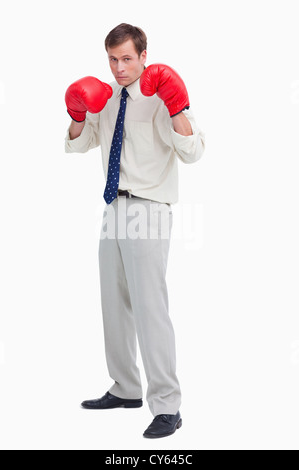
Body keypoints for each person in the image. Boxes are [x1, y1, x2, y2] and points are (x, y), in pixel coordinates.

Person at [64, 23, 205, 439]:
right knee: (114, 302)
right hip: (113, 208)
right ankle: (125, 388)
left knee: (150, 308)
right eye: (112, 59)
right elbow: (78, 143)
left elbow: (194, 151)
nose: (119, 68)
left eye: (127, 59)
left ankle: (167, 406)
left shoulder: (162, 94)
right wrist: (76, 113)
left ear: (144, 55)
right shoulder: (105, 98)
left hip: (149, 207)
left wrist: (177, 106)